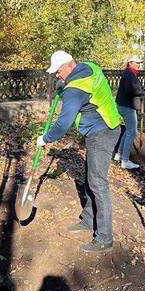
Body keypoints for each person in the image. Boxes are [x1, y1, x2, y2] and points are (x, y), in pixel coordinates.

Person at [37, 50, 122, 253]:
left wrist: (46, 138)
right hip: (104, 127)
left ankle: (104, 238)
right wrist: (64, 84)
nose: (57, 75)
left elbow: (64, 122)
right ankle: (88, 219)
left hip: (102, 132)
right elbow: (82, 85)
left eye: (58, 71)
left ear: (69, 65)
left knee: (98, 183)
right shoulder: (90, 66)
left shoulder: (74, 90)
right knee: (89, 177)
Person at [113, 55, 145, 170]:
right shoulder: (129, 74)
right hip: (127, 107)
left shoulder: (130, 73)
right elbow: (129, 90)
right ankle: (125, 160)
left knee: (128, 130)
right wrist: (141, 93)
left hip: (124, 105)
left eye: (139, 63)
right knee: (132, 132)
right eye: (137, 63)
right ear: (130, 63)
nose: (139, 64)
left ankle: (119, 155)